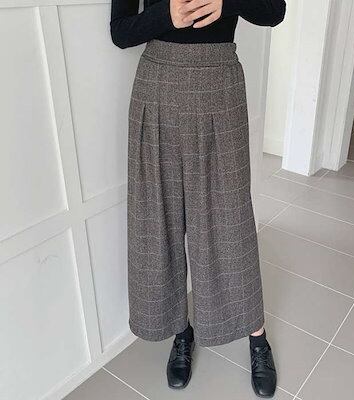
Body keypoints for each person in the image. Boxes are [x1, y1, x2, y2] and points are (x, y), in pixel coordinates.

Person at [110, 0, 286, 397]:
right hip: (157, 86)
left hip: (219, 83)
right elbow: (121, 32)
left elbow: (274, 11)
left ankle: (256, 337)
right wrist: (166, 16)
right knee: (159, 219)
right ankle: (180, 331)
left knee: (230, 220)